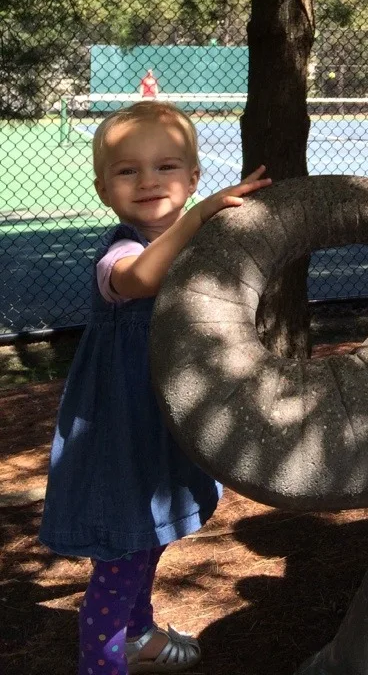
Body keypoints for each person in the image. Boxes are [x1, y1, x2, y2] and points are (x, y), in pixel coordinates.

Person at [39, 100, 271, 675]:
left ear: (192, 177)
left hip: (167, 423)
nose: (148, 181)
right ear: (103, 189)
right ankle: (102, 665)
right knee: (121, 555)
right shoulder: (120, 251)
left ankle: (138, 634)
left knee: (152, 538)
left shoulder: (199, 248)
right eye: (127, 171)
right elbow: (139, 280)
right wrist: (197, 217)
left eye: (166, 166)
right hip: (120, 431)